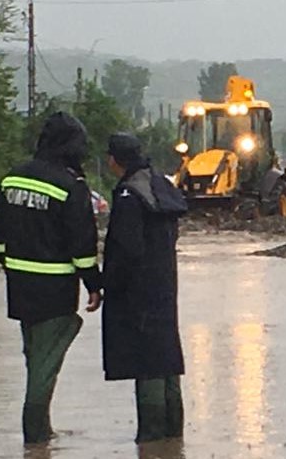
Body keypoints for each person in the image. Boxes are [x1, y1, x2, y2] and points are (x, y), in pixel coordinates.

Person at [0, 112, 102, 445]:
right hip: (55, 289)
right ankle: (36, 437)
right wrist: (93, 284)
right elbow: (82, 244)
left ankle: (40, 434)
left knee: (34, 355)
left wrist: (9, 262)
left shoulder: (12, 179)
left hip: (19, 286)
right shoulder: (71, 186)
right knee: (44, 366)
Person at [99, 133, 189, 443]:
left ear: (114, 160)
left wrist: (104, 284)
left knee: (148, 363)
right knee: (166, 362)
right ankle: (173, 441)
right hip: (165, 287)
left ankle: (151, 439)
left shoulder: (129, 195)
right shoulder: (160, 185)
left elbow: (125, 250)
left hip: (137, 294)